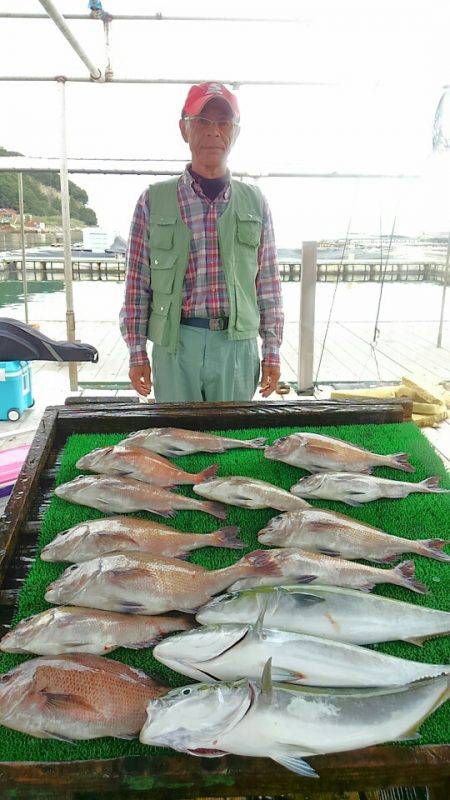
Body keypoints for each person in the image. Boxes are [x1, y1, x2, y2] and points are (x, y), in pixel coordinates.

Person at [120, 81, 284, 403]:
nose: (213, 131)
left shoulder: (255, 202)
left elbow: (268, 284)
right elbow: (137, 283)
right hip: (175, 344)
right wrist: (137, 353)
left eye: (224, 122)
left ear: (235, 133)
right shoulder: (152, 200)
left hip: (237, 346)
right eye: (202, 121)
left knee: (233, 431)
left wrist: (272, 351)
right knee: (177, 433)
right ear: (184, 128)